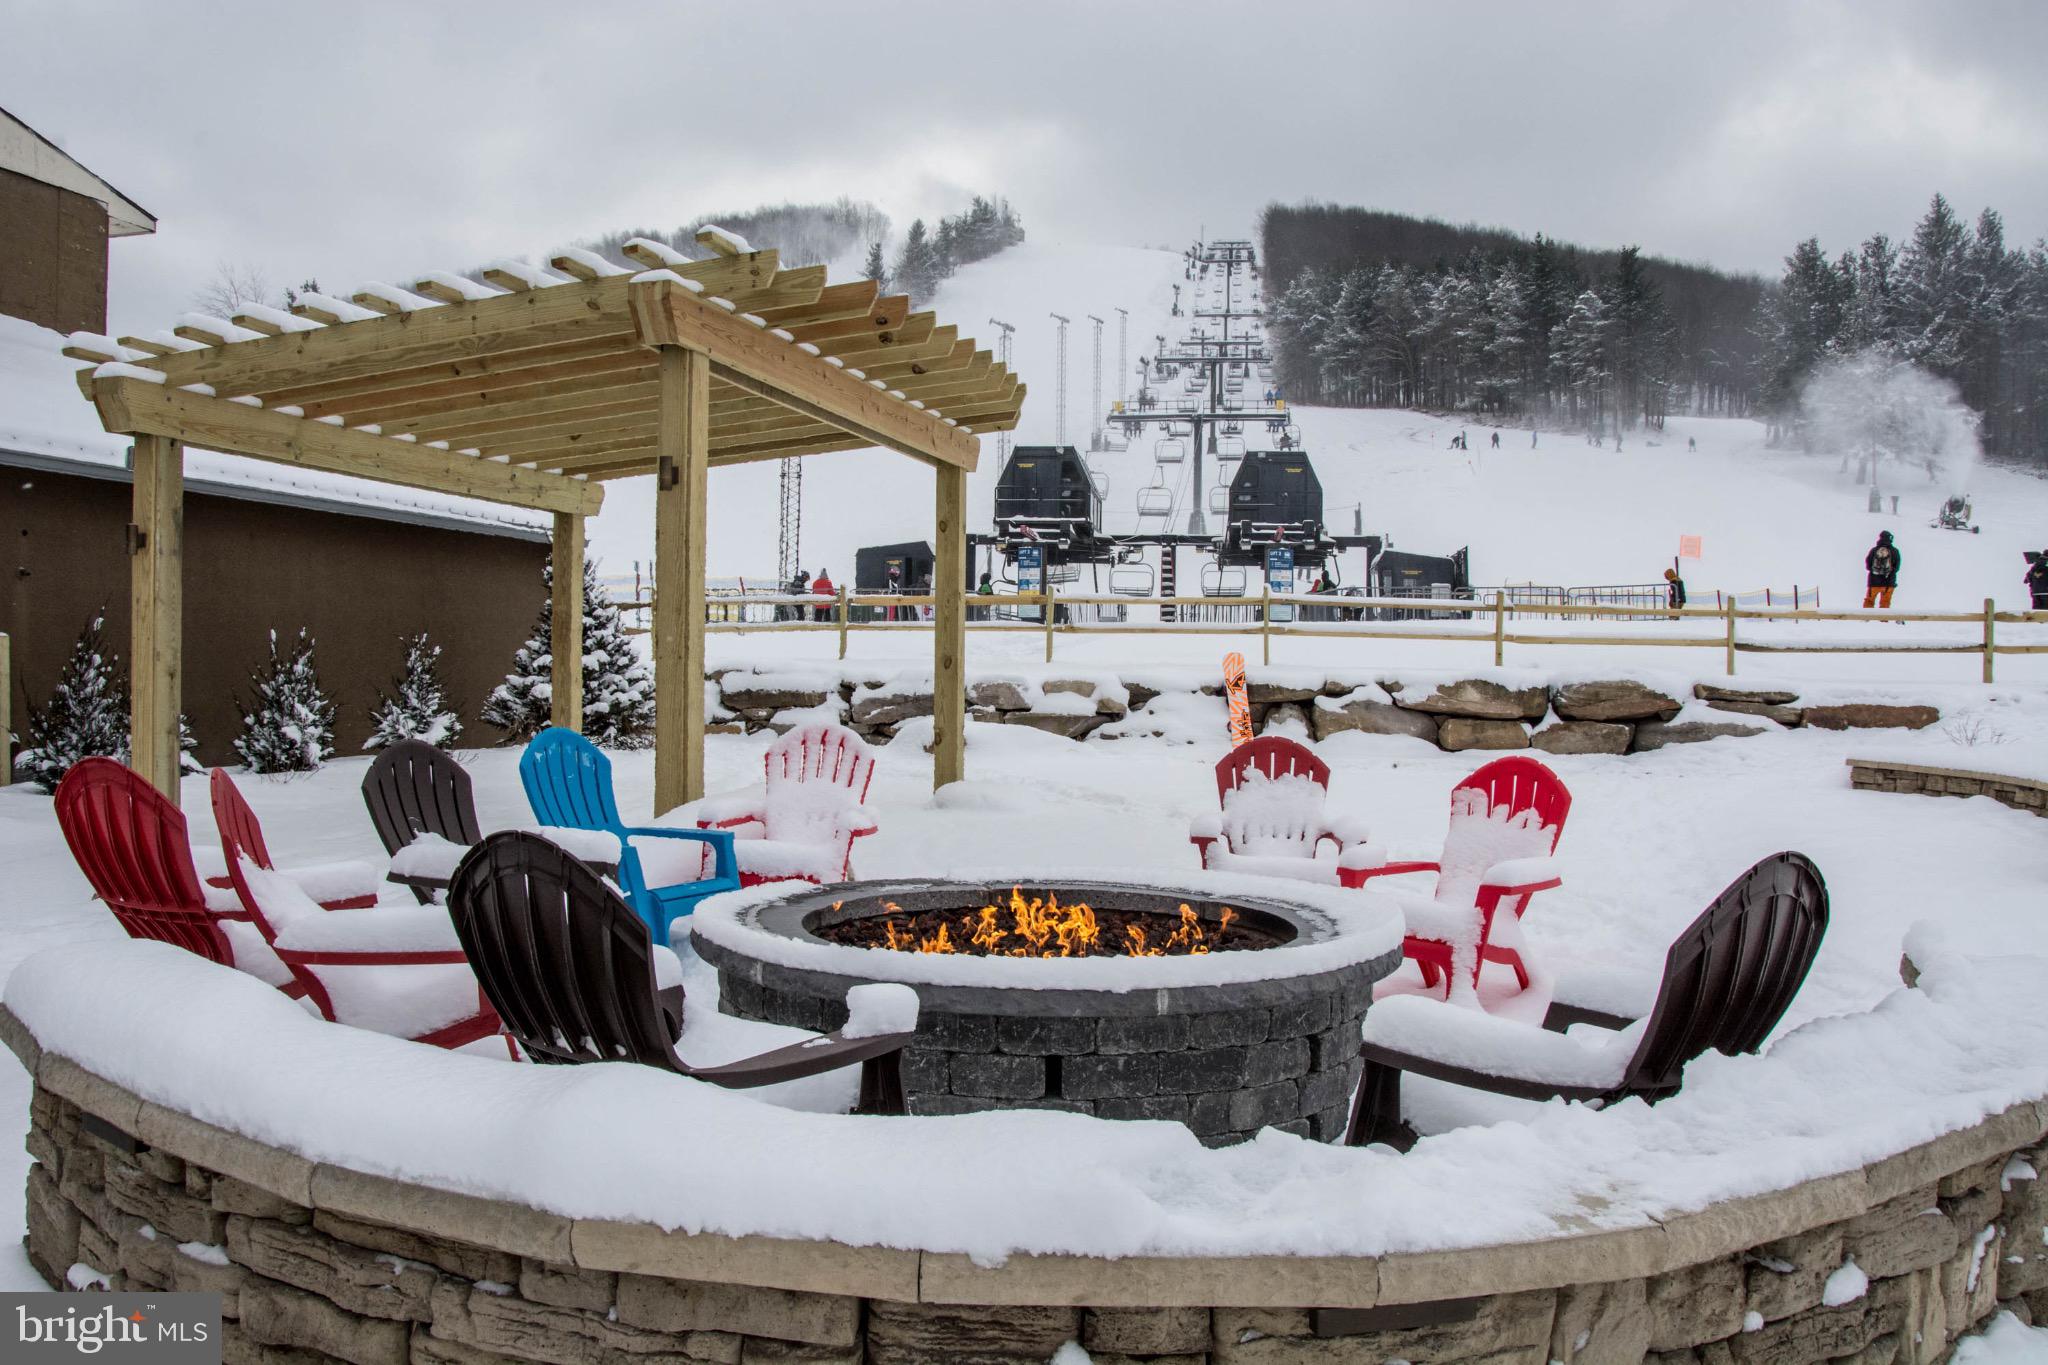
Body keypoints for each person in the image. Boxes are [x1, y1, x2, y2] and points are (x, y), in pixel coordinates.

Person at [1864, 531, 1902, 609]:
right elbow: (1896, 567)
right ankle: (1883, 620)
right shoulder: (1895, 551)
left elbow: (1868, 565)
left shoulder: (1874, 550)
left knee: (1869, 601)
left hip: (1873, 582)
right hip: (1889, 582)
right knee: (1885, 602)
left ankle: (1866, 619)